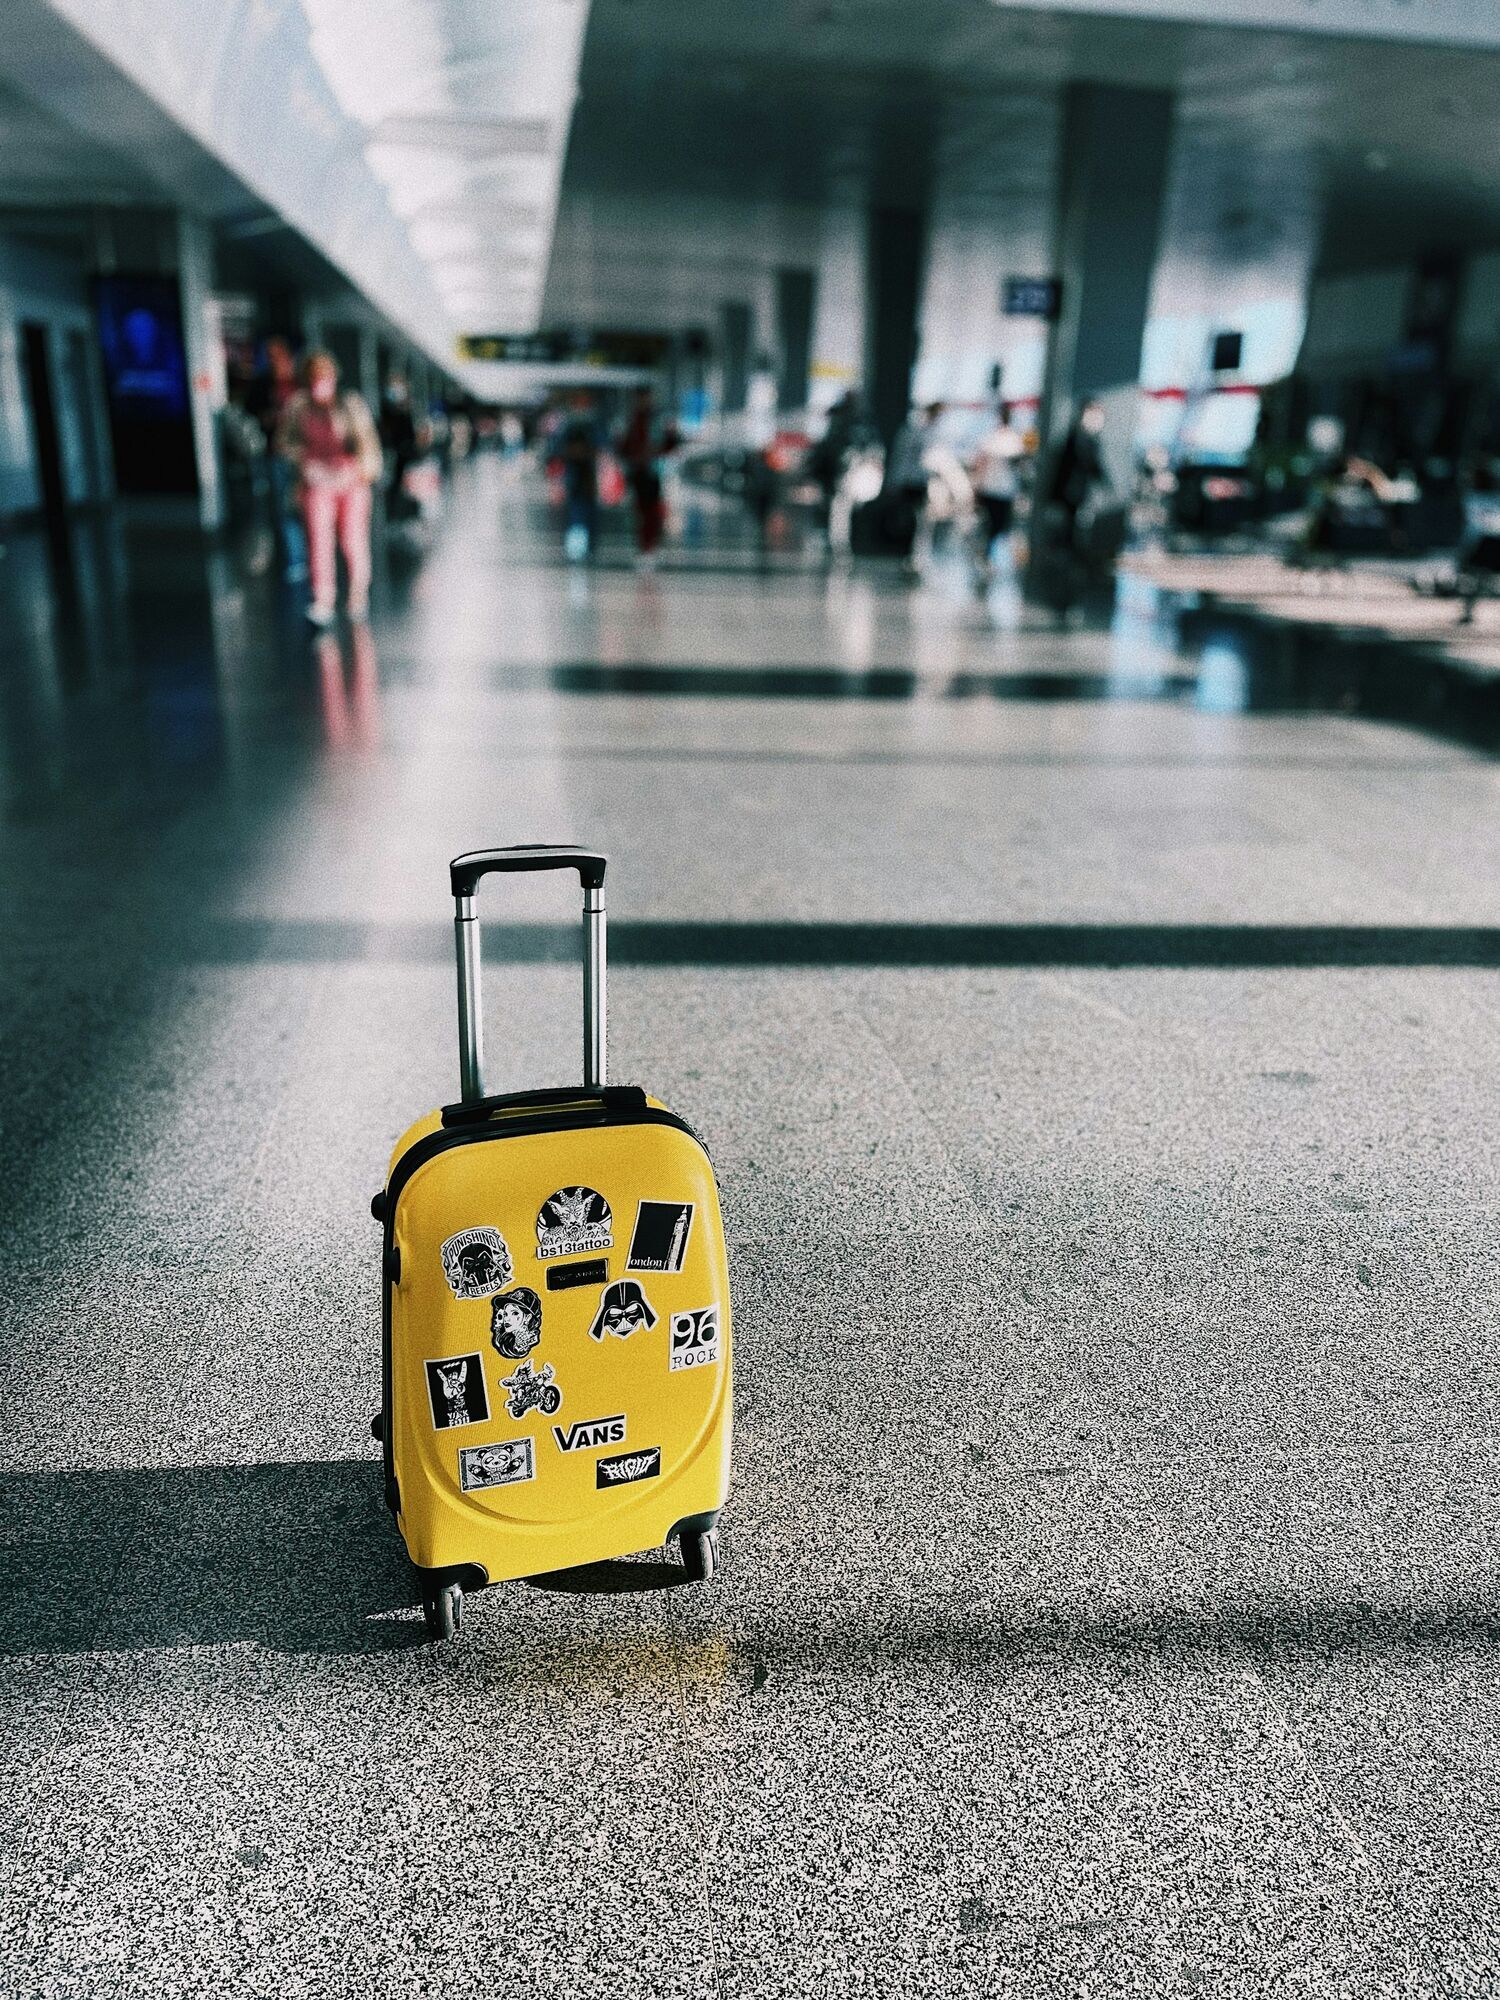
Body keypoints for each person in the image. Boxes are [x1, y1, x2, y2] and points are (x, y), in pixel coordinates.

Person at [276, 351, 383, 627]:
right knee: (319, 541)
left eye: (323, 379)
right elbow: (285, 443)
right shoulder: (299, 408)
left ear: (333, 379)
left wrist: (357, 469)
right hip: (316, 481)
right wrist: (304, 460)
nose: (318, 386)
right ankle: (323, 599)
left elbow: (368, 445)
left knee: (351, 540)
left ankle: (358, 594)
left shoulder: (350, 405)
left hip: (351, 481)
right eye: (313, 380)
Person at [246, 337, 307, 581]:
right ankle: (296, 557)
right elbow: (251, 409)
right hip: (277, 453)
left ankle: (313, 553)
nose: (273, 362)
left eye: (277, 356)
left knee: (308, 506)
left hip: (303, 455)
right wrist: (267, 417)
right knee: (284, 507)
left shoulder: (301, 384)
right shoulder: (262, 384)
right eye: (269, 357)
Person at [617, 388, 677, 566]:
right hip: (637, 473)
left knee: (653, 512)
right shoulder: (631, 422)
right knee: (640, 512)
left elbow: (670, 443)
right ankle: (644, 547)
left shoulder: (658, 421)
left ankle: (651, 547)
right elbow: (622, 447)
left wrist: (658, 452)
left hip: (654, 473)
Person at [886, 401, 945, 572]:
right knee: (910, 519)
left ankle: (913, 554)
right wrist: (894, 481)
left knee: (918, 520)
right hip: (910, 482)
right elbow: (901, 458)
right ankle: (907, 553)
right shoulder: (914, 432)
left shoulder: (929, 434)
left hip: (920, 482)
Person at [970, 402, 1024, 572]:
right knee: (996, 526)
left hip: (996, 490)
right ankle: (988, 556)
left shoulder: (995, 439)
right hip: (1000, 490)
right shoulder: (1011, 440)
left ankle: (989, 556)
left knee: (996, 526)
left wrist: (977, 485)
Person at [557, 393, 601, 561]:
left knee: (588, 513)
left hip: (588, 478)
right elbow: (560, 449)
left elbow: (600, 448)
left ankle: (587, 547)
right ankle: (576, 548)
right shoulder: (569, 426)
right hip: (576, 480)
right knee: (576, 514)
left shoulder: (593, 425)